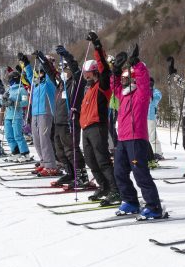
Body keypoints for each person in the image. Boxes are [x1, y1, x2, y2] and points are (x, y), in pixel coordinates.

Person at [109, 43, 165, 219]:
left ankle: (154, 206)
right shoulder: (122, 95)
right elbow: (114, 85)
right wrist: (115, 71)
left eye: (126, 79)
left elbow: (143, 78)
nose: (123, 82)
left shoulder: (142, 94)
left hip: (136, 138)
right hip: (123, 139)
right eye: (123, 79)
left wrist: (136, 64)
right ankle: (130, 201)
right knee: (119, 171)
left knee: (140, 173)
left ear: (133, 79)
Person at [79, 32, 118, 203]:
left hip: (97, 126)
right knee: (90, 160)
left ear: (94, 73)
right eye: (85, 74)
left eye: (88, 74)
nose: (86, 77)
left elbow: (104, 68)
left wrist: (96, 45)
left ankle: (115, 189)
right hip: (86, 128)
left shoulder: (102, 86)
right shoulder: (88, 89)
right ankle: (104, 187)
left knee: (102, 160)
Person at [46, 46, 89, 189]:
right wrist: (42, 59)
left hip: (69, 121)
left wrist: (67, 56)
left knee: (71, 150)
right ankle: (71, 173)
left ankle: (81, 176)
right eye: (61, 70)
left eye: (65, 70)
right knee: (60, 151)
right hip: (58, 121)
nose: (62, 73)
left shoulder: (76, 82)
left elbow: (75, 68)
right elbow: (51, 73)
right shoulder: (61, 84)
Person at [22, 51, 59, 176]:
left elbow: (49, 72)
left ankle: (51, 165)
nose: (40, 74)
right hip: (35, 114)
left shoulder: (49, 82)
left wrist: (43, 59)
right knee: (37, 139)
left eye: (42, 72)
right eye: (39, 72)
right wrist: (26, 63)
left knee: (44, 139)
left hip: (46, 113)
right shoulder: (37, 84)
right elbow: (29, 75)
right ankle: (43, 162)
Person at [2, 70, 32, 162]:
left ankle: (25, 153)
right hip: (8, 116)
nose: (9, 81)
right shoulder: (9, 89)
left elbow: (25, 102)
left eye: (10, 79)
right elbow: (3, 102)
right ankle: (15, 152)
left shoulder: (22, 90)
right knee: (9, 135)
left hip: (17, 115)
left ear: (14, 79)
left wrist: (15, 103)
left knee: (18, 135)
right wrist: (3, 100)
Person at [147, 77, 164, 163]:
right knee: (144, 136)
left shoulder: (155, 92)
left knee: (152, 136)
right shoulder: (143, 91)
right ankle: (147, 152)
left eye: (151, 83)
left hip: (150, 117)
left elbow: (158, 97)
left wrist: (150, 92)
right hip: (142, 117)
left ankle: (158, 152)